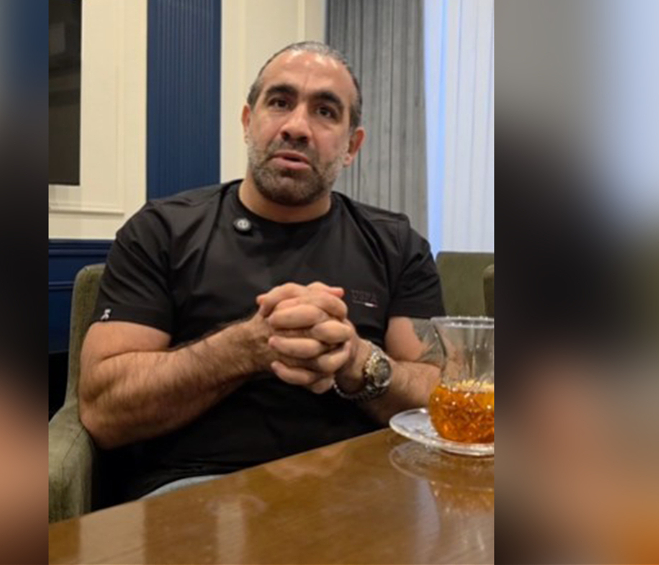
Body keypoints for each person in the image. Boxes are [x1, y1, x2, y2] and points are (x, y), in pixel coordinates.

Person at [79, 41, 445, 499]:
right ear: (248, 121)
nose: (297, 127)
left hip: (361, 492)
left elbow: (440, 393)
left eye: (325, 112)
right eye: (280, 102)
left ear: (352, 146)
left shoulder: (397, 245)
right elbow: (103, 410)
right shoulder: (161, 231)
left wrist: (358, 362)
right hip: (198, 493)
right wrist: (247, 347)